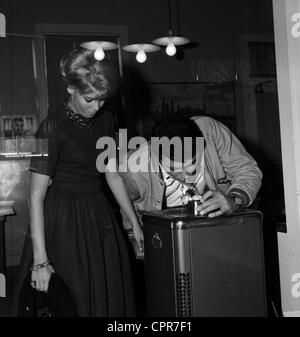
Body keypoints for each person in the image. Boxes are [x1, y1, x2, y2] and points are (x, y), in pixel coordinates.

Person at [13, 48, 143, 317]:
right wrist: (40, 262)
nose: (97, 107)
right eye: (89, 99)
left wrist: (135, 222)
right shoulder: (50, 128)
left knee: (106, 295)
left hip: (98, 213)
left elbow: (112, 174)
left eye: (102, 100)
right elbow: (35, 196)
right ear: (71, 88)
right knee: (74, 300)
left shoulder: (107, 119)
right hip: (63, 220)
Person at [119, 113, 262, 257]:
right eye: (176, 169)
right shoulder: (134, 167)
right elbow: (126, 202)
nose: (187, 175)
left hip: (218, 229)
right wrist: (133, 235)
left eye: (193, 163)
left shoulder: (211, 132)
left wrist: (235, 200)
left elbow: (247, 170)